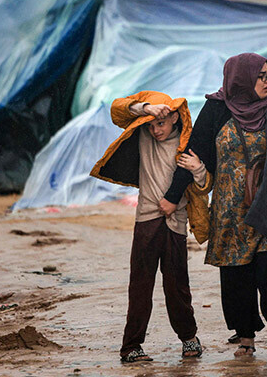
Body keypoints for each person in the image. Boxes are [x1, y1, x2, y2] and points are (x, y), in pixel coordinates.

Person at [160, 53, 267, 357]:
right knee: (236, 275)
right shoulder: (217, 109)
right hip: (231, 210)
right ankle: (245, 336)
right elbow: (194, 152)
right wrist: (171, 196)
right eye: (262, 76)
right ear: (241, 79)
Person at [89, 91, 210, 363]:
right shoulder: (143, 135)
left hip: (176, 223)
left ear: (176, 118)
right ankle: (131, 346)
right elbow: (118, 110)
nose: (156, 130)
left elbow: (204, 185)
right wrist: (147, 109)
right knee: (140, 285)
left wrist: (199, 168)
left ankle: (189, 339)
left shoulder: (187, 143)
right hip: (146, 219)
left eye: (162, 124)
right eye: (152, 124)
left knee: (177, 285)